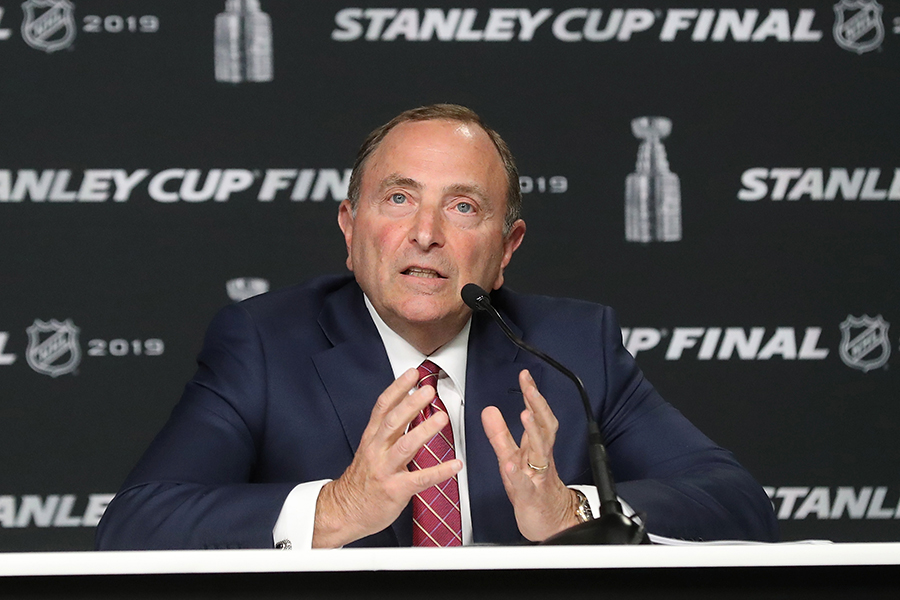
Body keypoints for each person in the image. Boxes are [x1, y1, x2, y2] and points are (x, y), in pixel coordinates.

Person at [96, 104, 778, 550]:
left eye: (461, 206)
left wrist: (575, 512)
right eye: (398, 199)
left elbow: (737, 504)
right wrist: (335, 508)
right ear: (350, 227)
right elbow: (135, 526)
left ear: (505, 248)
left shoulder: (572, 348)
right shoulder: (265, 344)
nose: (424, 234)